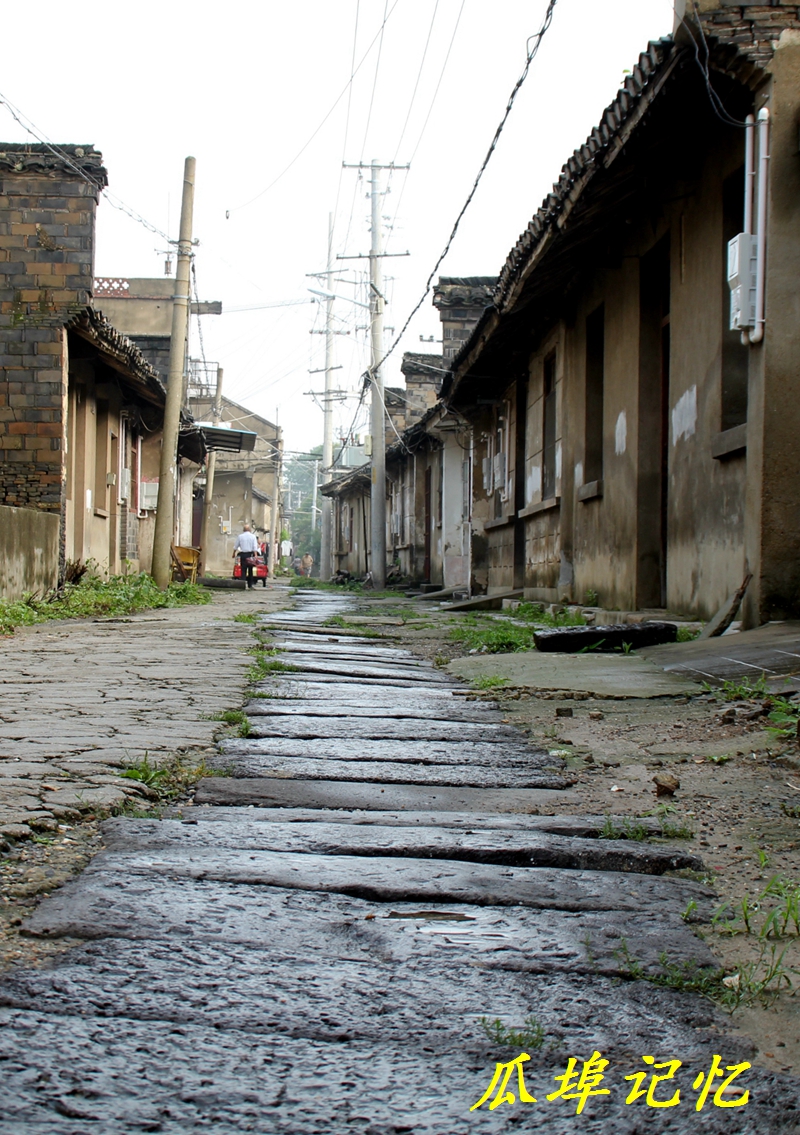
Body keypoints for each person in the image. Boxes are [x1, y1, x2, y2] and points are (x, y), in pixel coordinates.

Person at [233, 523, 259, 589]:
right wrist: (255, 555)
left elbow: (236, 546)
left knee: (243, 570)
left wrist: (233, 553)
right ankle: (250, 585)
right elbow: (254, 547)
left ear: (243, 530)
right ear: (250, 530)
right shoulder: (253, 536)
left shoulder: (240, 536)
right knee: (250, 570)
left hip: (243, 554)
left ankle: (243, 584)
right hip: (250, 555)